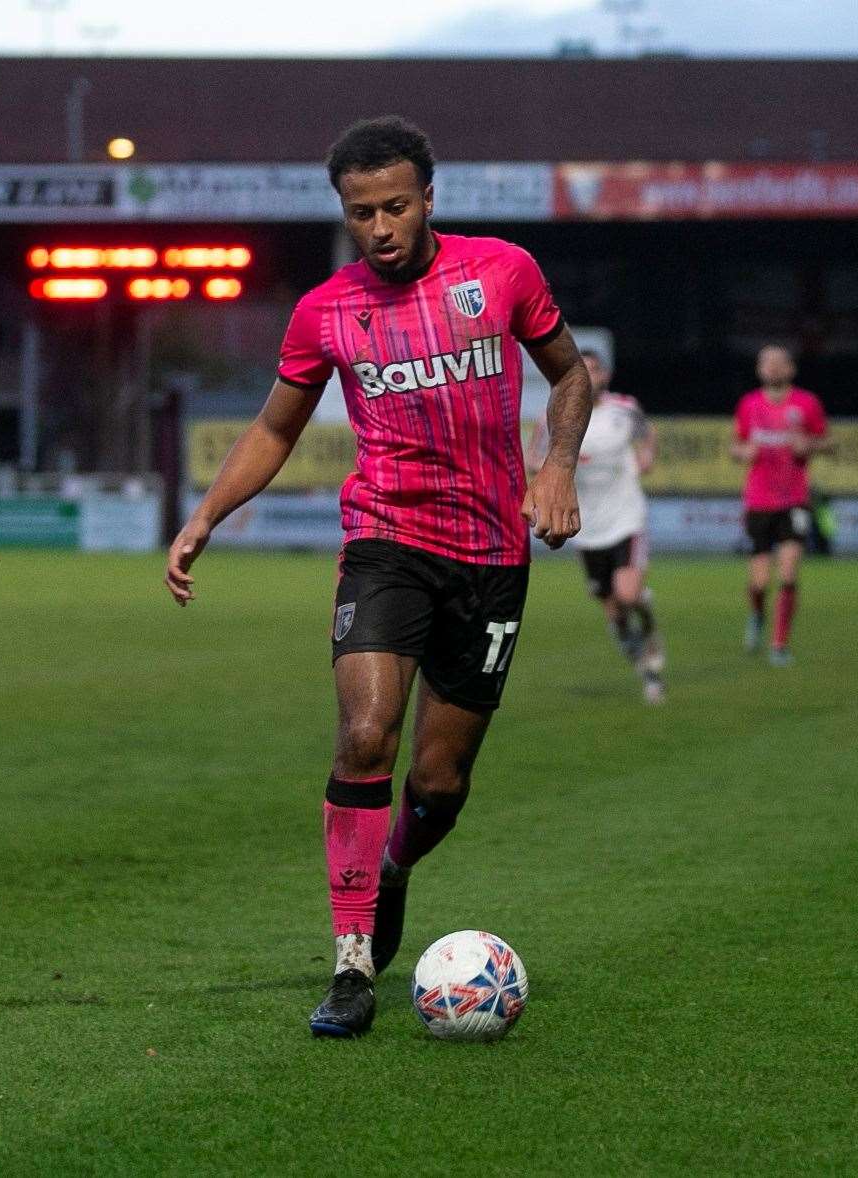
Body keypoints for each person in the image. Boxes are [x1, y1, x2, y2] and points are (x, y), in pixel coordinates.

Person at [164, 116, 592, 1039]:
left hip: (489, 556)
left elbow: (568, 375)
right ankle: (352, 963)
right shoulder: (325, 311)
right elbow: (276, 427)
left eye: (396, 205)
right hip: (385, 540)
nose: (381, 226)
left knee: (438, 785)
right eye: (362, 212)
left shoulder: (501, 272)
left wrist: (556, 465)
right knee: (365, 735)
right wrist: (204, 517)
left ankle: (393, 865)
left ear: (429, 198)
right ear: (344, 214)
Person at [534, 349, 666, 703]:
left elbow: (647, 433)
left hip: (626, 517)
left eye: (594, 369)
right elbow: (536, 456)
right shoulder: (557, 414)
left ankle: (650, 638)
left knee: (627, 594)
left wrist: (646, 457)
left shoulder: (625, 408)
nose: (589, 375)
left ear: (605, 375)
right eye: (583, 369)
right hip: (587, 528)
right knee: (612, 610)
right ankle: (643, 663)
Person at [732, 345, 830, 666]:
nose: (772, 368)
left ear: (791, 369)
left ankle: (779, 644)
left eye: (778, 363)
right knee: (759, 582)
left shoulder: (807, 403)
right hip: (759, 501)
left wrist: (810, 445)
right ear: (759, 369)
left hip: (794, 500)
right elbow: (737, 446)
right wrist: (743, 453)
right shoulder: (749, 404)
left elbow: (825, 440)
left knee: (788, 573)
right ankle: (757, 614)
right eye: (766, 363)